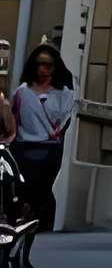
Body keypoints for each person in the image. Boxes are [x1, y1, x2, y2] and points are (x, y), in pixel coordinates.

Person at [10, 45, 75, 256]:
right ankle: (15, 241)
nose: (43, 69)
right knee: (21, 197)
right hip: (23, 149)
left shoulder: (64, 94)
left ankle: (30, 245)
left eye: (48, 64)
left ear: (55, 67)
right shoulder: (22, 92)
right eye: (39, 64)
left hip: (49, 151)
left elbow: (64, 125)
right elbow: (13, 122)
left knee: (40, 195)